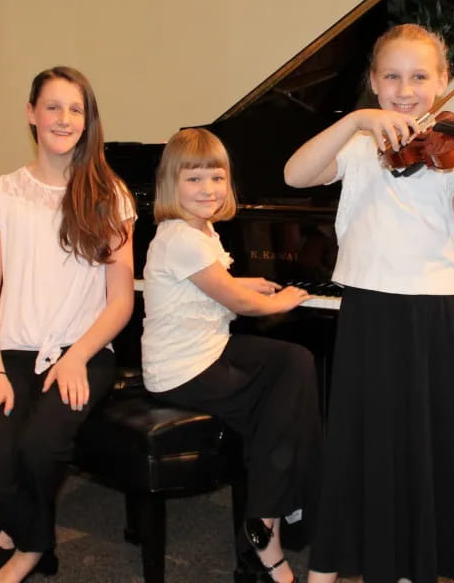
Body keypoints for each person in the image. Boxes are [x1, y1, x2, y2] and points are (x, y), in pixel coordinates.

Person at [284, 23, 454, 583]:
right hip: (368, 305)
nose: (405, 89)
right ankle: (337, 559)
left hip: (430, 308)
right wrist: (355, 120)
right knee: (361, 436)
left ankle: (414, 561)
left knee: (419, 442)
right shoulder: (360, 146)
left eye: (419, 76)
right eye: (392, 76)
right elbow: (295, 175)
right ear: (374, 82)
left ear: (443, 81)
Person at [0, 66, 135, 583]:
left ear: (88, 121)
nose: (64, 118)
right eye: (53, 107)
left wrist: (78, 356)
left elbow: (120, 301)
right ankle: (35, 536)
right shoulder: (3, 194)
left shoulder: (109, 195)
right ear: (31, 114)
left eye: (76, 109)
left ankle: (24, 550)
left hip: (84, 351)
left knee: (40, 447)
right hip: (13, 355)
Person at [141, 127, 322, 583]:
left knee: (293, 363)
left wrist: (245, 282)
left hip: (206, 352)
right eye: (194, 179)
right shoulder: (182, 236)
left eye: (216, 178)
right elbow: (238, 305)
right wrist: (275, 299)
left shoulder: (198, 231)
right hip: (183, 370)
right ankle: (269, 523)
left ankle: (278, 504)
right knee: (279, 398)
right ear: (171, 185)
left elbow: (207, 287)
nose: (208, 189)